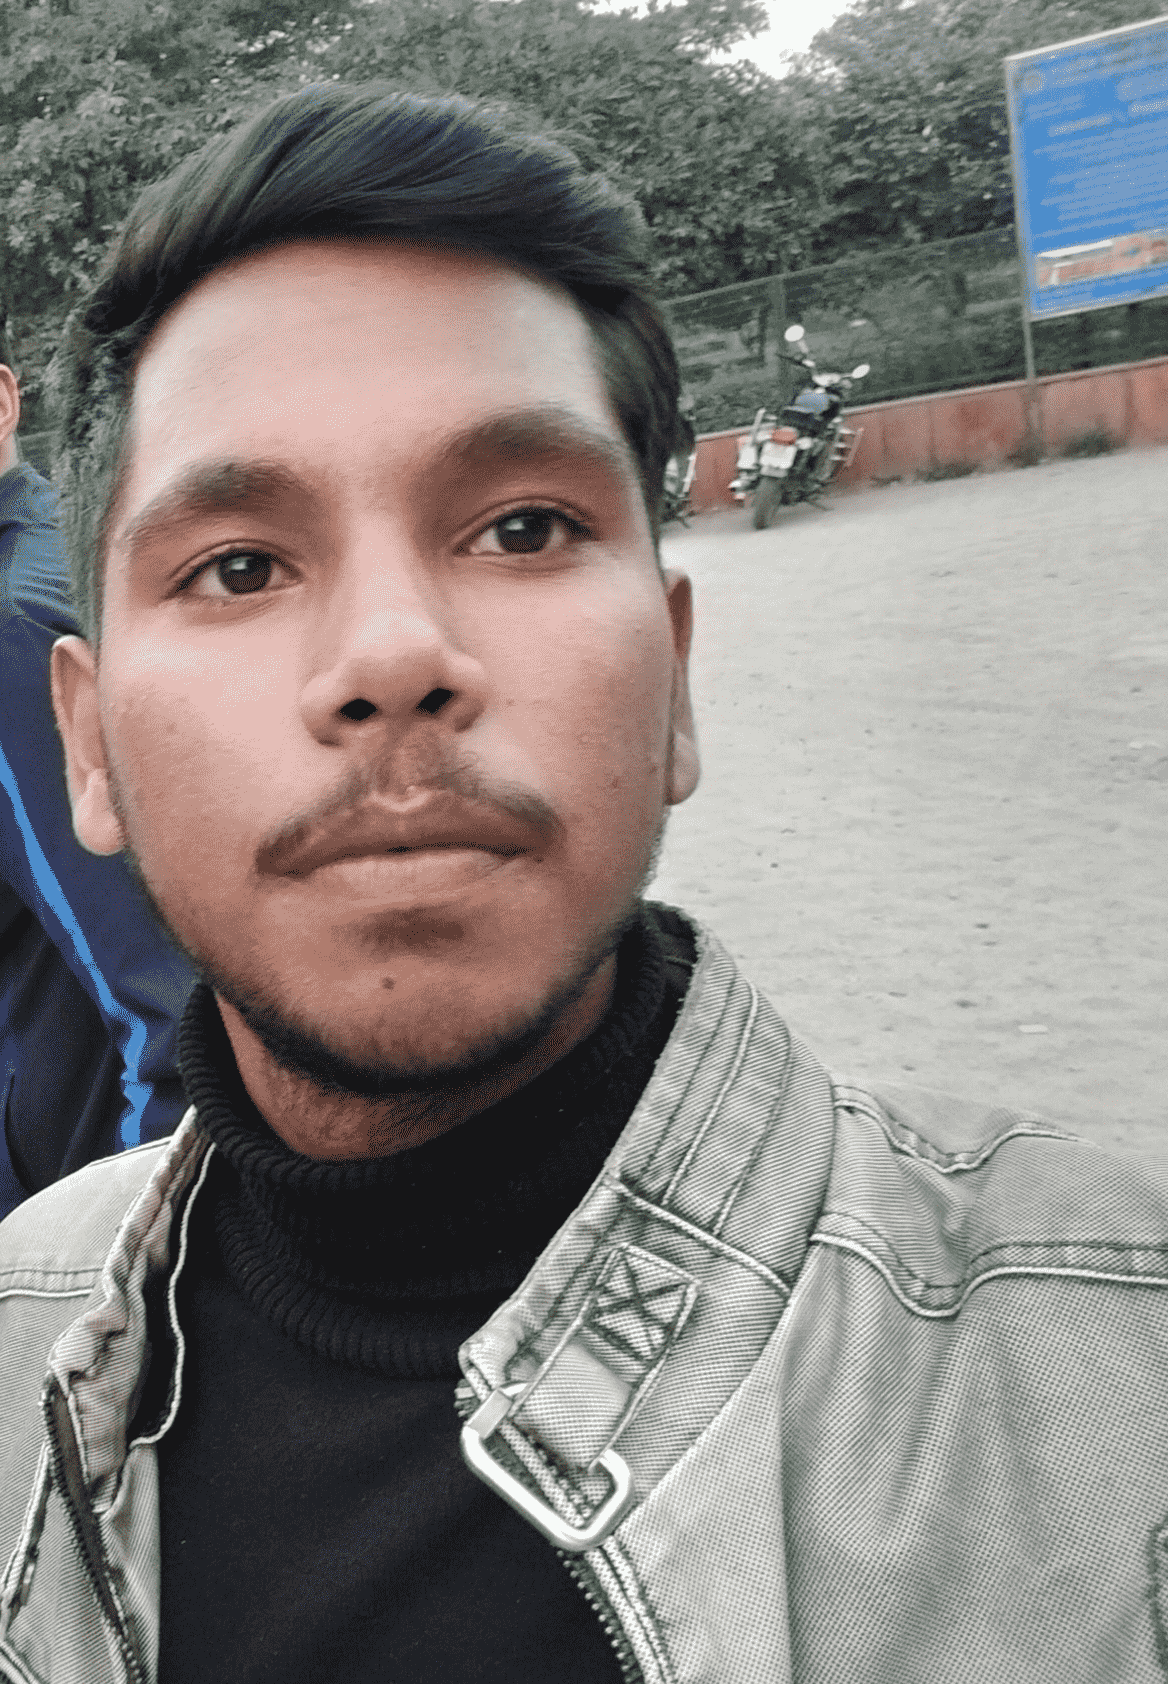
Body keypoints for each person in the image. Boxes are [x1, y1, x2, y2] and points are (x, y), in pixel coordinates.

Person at [1, 85, 1167, 1684]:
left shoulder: (1116, 1381)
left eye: (523, 528)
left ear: (674, 679)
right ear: (88, 745)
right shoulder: (20, 1342)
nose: (392, 653)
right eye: (242, 565)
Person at [0, 308, 193, 1219]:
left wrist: (114, 1262)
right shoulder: (69, 548)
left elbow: (161, 1010)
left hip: (63, 1202)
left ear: (3, 401)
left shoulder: (13, 631)